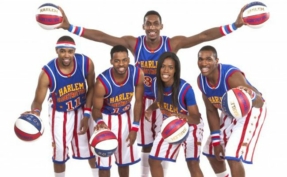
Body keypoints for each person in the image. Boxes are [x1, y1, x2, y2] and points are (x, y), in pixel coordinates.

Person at [56, 7, 246, 176]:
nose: (152, 27)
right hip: (144, 101)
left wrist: (234, 26)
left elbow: (202, 37)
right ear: (143, 26)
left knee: (168, 143)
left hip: (167, 100)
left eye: (156, 24)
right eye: (148, 24)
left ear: (161, 26)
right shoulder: (134, 44)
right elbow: (103, 38)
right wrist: (70, 27)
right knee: (147, 146)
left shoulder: (171, 44)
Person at [23, 36, 98, 177]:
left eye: (70, 51)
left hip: (82, 108)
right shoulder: (47, 73)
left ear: (74, 51)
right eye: (62, 51)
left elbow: (92, 88)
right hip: (60, 112)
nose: (66, 55)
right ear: (56, 51)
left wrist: (87, 114)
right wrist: (35, 112)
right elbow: (38, 100)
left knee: (92, 148)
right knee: (59, 151)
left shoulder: (86, 63)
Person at [196, 45, 267, 177]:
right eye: (200, 59)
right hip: (230, 111)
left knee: (231, 153)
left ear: (217, 61)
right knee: (211, 149)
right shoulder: (201, 81)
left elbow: (259, 101)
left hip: (250, 110)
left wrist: (251, 95)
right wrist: (216, 141)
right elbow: (211, 111)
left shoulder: (231, 76)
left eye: (209, 59)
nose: (204, 63)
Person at [145, 52, 204, 177]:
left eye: (170, 67)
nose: (166, 70)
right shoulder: (156, 83)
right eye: (163, 66)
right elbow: (159, 101)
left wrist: (183, 117)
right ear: (159, 67)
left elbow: (196, 118)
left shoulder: (185, 89)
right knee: (153, 160)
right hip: (171, 126)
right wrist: (150, 109)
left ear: (175, 71)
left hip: (191, 126)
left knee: (192, 163)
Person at [91, 45, 145, 177]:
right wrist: (99, 121)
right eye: (117, 61)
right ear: (111, 61)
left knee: (124, 163)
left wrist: (135, 128)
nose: (121, 64)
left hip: (125, 117)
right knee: (104, 164)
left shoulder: (137, 74)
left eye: (124, 60)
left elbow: (138, 101)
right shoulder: (102, 82)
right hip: (106, 119)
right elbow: (96, 109)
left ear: (128, 60)